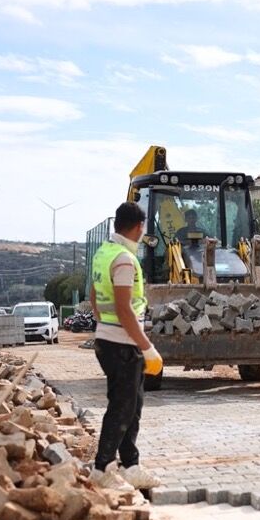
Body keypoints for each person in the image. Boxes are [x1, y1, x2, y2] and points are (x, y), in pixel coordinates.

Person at [89, 202, 163, 491]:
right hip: (122, 344)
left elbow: (95, 299)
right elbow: (124, 309)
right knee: (121, 408)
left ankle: (130, 465)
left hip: (109, 340)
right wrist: (147, 347)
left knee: (133, 405)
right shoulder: (123, 260)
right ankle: (102, 468)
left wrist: (103, 326)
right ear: (139, 227)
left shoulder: (104, 253)